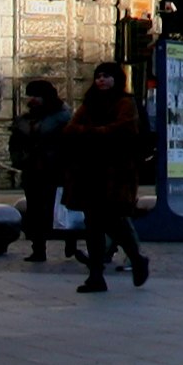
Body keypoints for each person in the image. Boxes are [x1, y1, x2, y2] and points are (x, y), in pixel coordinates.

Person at [64, 69, 153, 292]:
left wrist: (92, 133)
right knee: (93, 223)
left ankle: (135, 258)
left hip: (116, 171)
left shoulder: (125, 102)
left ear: (117, 80)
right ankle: (96, 275)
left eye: (107, 76)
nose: (101, 80)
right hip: (90, 170)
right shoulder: (90, 102)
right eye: (98, 76)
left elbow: (124, 129)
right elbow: (71, 129)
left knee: (114, 219)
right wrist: (96, 133)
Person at [12, 78, 70, 265]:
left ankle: (71, 240)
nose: (33, 99)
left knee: (60, 208)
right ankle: (38, 248)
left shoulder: (62, 116)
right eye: (31, 96)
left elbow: (66, 141)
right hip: (33, 169)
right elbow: (15, 143)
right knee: (36, 210)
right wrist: (19, 159)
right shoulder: (26, 119)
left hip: (55, 169)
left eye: (37, 95)